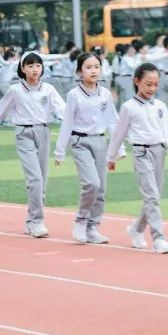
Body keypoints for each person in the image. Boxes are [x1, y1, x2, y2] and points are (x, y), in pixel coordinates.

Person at [0, 52, 65, 238]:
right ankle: (37, 221)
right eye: (30, 65)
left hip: (43, 132)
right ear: (22, 68)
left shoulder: (48, 89)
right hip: (24, 134)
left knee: (42, 180)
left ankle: (31, 220)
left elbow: (62, 110)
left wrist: (74, 126)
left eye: (38, 65)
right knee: (35, 178)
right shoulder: (16, 90)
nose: (34, 69)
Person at [107, 63, 168, 254]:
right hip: (141, 153)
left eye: (156, 84)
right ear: (137, 81)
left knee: (154, 197)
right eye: (148, 84)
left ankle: (136, 229)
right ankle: (159, 238)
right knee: (151, 197)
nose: (152, 89)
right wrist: (112, 156)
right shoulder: (128, 107)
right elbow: (119, 133)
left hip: (159, 152)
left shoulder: (160, 106)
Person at [54, 52, 116, 245]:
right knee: (92, 184)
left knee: (102, 188)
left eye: (96, 67)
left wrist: (118, 147)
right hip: (80, 142)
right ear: (80, 71)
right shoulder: (74, 95)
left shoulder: (105, 94)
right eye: (88, 67)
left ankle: (93, 227)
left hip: (100, 142)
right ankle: (81, 221)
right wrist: (60, 150)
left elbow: (112, 120)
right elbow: (67, 123)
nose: (93, 71)